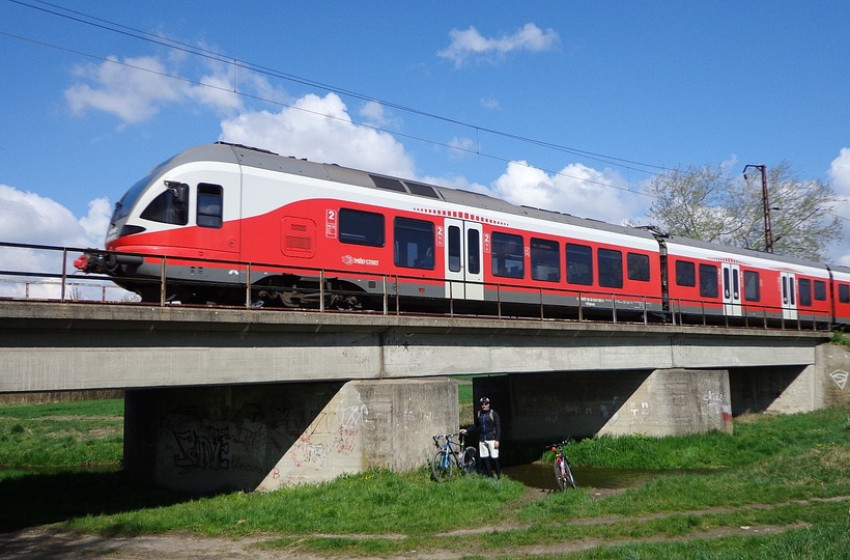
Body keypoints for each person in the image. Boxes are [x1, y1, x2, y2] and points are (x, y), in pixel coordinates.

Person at [461, 396, 502, 479]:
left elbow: (498, 427)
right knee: (485, 458)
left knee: (494, 458)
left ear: (489, 404)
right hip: (482, 439)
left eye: (485, 404)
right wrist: (467, 430)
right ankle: (490, 475)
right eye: (482, 404)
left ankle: (498, 477)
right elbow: (476, 425)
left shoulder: (493, 414)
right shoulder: (479, 414)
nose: (484, 405)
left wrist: (497, 439)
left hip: (492, 439)